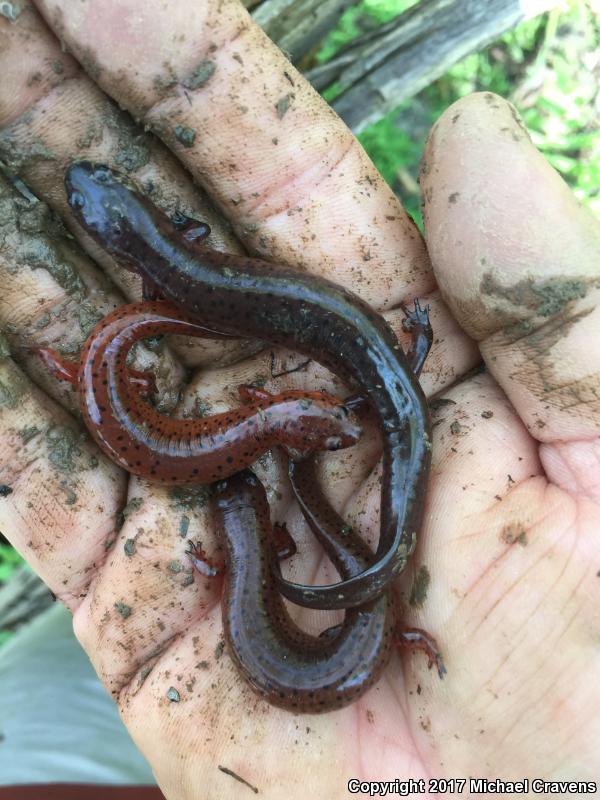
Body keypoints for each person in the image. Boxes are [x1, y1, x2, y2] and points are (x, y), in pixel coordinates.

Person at [0, 0, 598, 797]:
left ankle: (386, 466)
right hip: (344, 349)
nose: (93, 197)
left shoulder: (165, 279)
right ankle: (386, 452)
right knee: (391, 402)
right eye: (95, 203)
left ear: (123, 234)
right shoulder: (172, 260)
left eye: (99, 198)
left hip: (344, 352)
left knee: (391, 403)